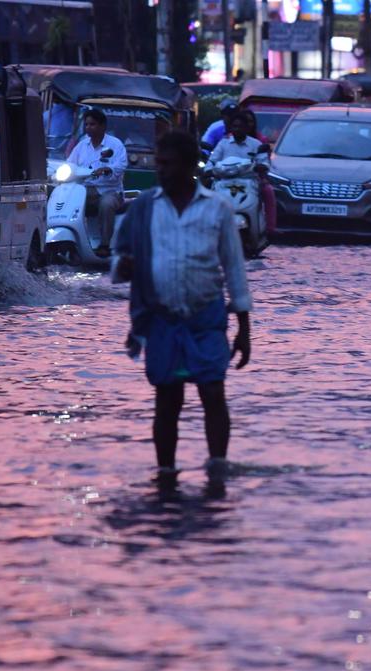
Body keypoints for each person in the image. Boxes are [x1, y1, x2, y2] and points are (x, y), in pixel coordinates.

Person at [112, 130, 253, 483]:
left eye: (168, 164)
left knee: (212, 392)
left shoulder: (217, 208)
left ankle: (217, 468)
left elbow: (234, 269)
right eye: (158, 163)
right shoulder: (145, 207)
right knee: (167, 398)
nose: (161, 170)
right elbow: (118, 261)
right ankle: (165, 473)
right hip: (162, 320)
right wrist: (123, 267)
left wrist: (244, 330)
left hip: (206, 318)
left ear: (189, 167)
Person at [66, 109, 127, 257]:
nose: (88, 127)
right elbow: (70, 164)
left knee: (106, 205)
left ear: (103, 126)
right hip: (84, 190)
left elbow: (121, 165)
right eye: (86, 124)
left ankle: (105, 244)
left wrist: (108, 169)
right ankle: (70, 242)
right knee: (65, 202)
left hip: (109, 191)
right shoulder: (81, 146)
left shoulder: (115, 145)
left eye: (92, 124)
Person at [236, 109, 279, 235]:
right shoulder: (226, 141)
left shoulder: (259, 141)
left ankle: (270, 228)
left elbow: (265, 161)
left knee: (268, 191)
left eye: (250, 122)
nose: (247, 125)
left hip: (253, 178)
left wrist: (261, 170)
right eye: (245, 122)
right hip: (230, 178)